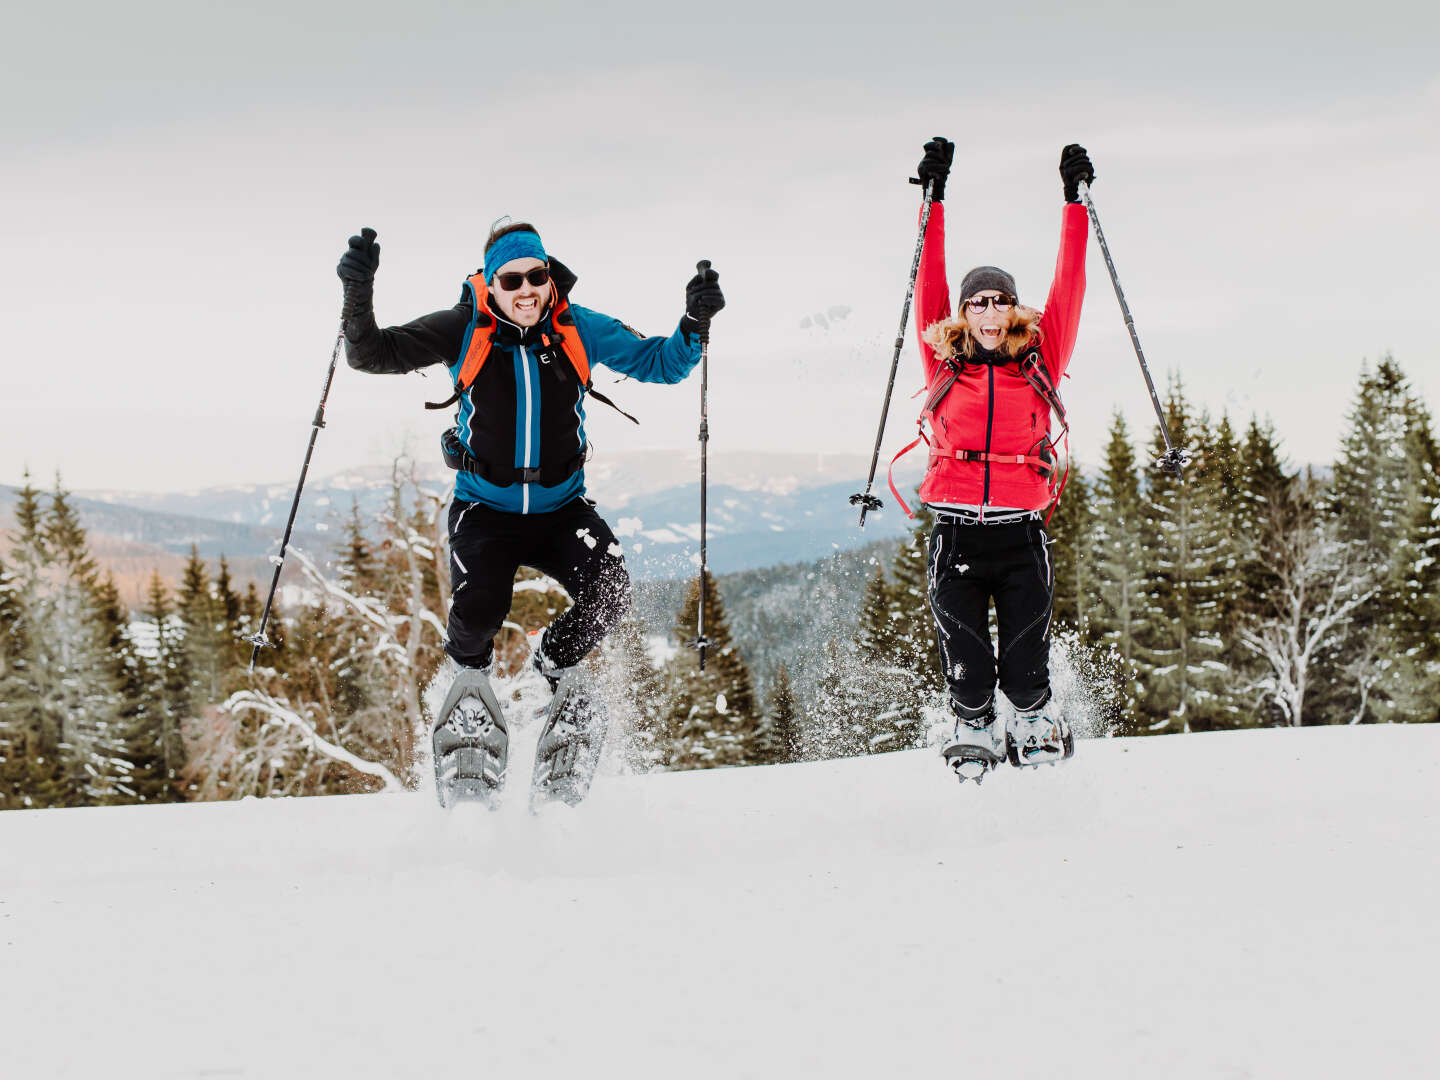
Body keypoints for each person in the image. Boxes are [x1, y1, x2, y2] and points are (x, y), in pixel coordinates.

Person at [335, 219, 724, 805]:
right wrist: (357, 291)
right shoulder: (462, 328)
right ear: (489, 284)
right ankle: (468, 694)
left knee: (611, 588)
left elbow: (661, 363)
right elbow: (369, 354)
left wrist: (694, 323)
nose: (526, 290)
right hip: (484, 508)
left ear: (549, 277)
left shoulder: (576, 327)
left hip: (560, 507)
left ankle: (555, 670)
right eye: (510, 279)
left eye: (536, 276)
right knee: (478, 611)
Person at [908, 137, 1093, 781]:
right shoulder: (944, 361)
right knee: (968, 667)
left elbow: (1069, 284)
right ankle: (972, 725)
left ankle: (1038, 720)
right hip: (955, 534)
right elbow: (926, 283)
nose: (989, 311)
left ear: (1014, 309)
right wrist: (934, 198)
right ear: (964, 314)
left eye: (999, 300)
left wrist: (1075, 204)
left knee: (1023, 665)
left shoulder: (1042, 361)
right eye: (977, 302)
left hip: (1020, 536)